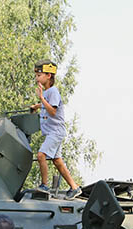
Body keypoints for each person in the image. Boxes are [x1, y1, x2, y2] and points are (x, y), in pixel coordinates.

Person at [30, 60, 82, 200]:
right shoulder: (48, 92)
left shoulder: (52, 91)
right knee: (57, 161)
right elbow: (47, 104)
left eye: (39, 75)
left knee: (41, 155)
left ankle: (44, 185)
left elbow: (52, 110)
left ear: (48, 75)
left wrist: (41, 98)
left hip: (55, 132)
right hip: (53, 132)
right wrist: (38, 106)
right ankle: (74, 187)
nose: (37, 78)